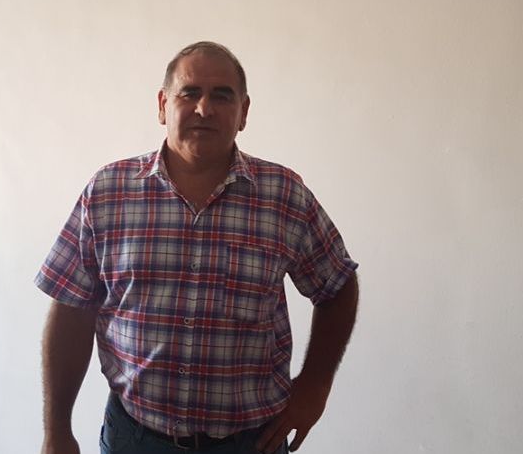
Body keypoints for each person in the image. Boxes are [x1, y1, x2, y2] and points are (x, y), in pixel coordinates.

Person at [36, 41, 359, 454]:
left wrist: (316, 384)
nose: (204, 109)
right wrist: (57, 430)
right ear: (162, 105)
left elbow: (337, 286)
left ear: (243, 112)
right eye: (189, 93)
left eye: (222, 96)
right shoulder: (108, 192)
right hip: (136, 439)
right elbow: (71, 309)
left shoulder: (284, 196)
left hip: (250, 443)